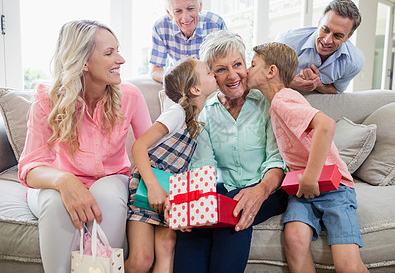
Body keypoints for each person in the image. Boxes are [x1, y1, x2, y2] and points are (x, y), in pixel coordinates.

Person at [18, 20, 152, 272]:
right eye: (109, 53)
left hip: (112, 180)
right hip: (54, 182)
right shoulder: (47, 100)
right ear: (83, 62)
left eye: (118, 50)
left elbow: (153, 152)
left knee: (108, 195)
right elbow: (30, 167)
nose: (121, 59)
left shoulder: (130, 96)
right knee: (55, 201)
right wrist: (64, 181)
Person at [247, 42, 368, 273]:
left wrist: (311, 177)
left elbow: (326, 124)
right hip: (302, 189)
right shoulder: (275, 101)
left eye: (252, 65)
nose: (247, 71)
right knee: (294, 240)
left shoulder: (283, 99)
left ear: (271, 71)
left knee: (348, 266)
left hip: (333, 187)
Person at [173, 30, 288, 273]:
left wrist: (260, 191)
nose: (233, 74)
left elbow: (276, 159)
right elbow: (204, 165)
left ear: (247, 66)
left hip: (267, 188)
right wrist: (193, 206)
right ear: (212, 76)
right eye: (221, 69)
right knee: (196, 224)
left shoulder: (266, 102)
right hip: (223, 190)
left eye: (238, 65)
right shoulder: (206, 111)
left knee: (233, 213)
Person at [125, 57, 218, 273]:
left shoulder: (197, 122)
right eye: (207, 71)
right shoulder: (176, 112)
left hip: (170, 194)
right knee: (141, 261)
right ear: (195, 89)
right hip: (147, 187)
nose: (213, 73)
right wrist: (154, 188)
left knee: (167, 248)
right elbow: (139, 147)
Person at [277, 0, 364, 94]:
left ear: (348, 37)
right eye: (325, 29)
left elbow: (337, 90)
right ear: (319, 23)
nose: (327, 40)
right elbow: (261, 77)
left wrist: (317, 84)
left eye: (337, 35)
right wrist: (291, 83)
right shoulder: (287, 41)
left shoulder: (354, 62)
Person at [149, 0, 227, 83]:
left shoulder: (216, 24)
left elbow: (226, 64)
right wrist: (176, 81)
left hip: (210, 83)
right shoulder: (160, 27)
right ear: (169, 12)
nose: (185, 18)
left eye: (190, 8)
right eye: (178, 11)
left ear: (200, 6)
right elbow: (156, 69)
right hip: (179, 86)